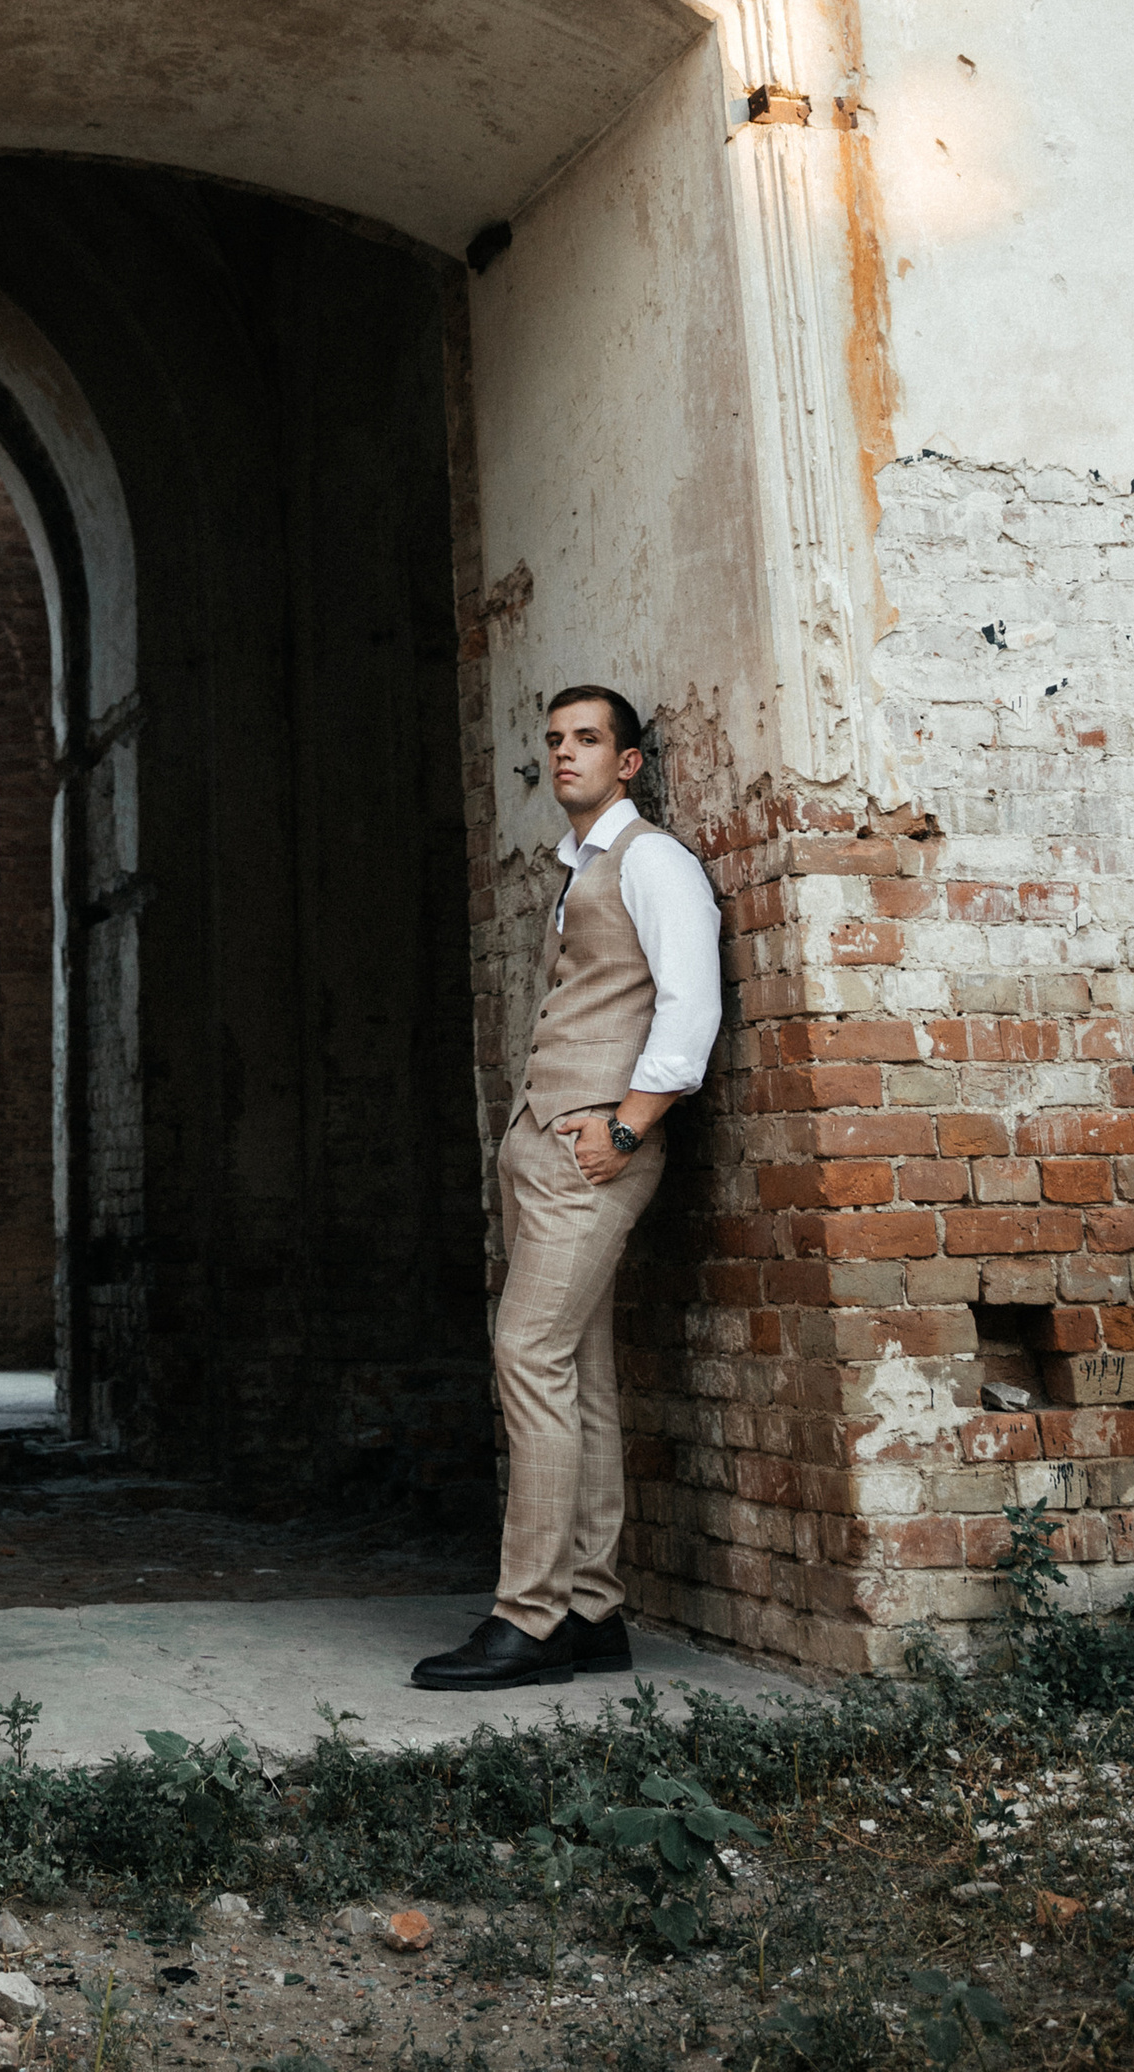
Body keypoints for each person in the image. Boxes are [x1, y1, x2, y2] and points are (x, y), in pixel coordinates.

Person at [411, 683, 720, 1694]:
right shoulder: (574, 869)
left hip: (598, 1151)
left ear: (628, 762)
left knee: (526, 1351)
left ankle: (528, 1617)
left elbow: (689, 1007)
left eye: (588, 740)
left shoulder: (655, 861)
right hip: (547, 1150)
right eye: (554, 740)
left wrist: (629, 1124)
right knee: (577, 1372)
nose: (566, 755)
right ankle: (590, 1609)